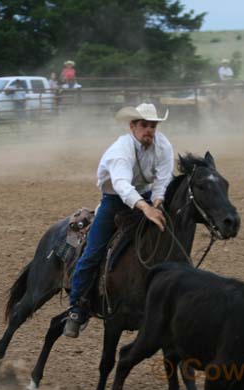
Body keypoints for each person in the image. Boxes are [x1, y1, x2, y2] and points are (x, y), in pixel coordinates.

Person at [64, 103, 174, 338]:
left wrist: (157, 201)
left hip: (144, 196)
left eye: (153, 125)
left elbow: (163, 178)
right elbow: (122, 185)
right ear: (132, 126)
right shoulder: (120, 150)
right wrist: (145, 208)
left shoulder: (163, 146)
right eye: (144, 125)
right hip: (114, 200)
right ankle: (76, 308)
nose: (149, 130)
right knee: (92, 252)